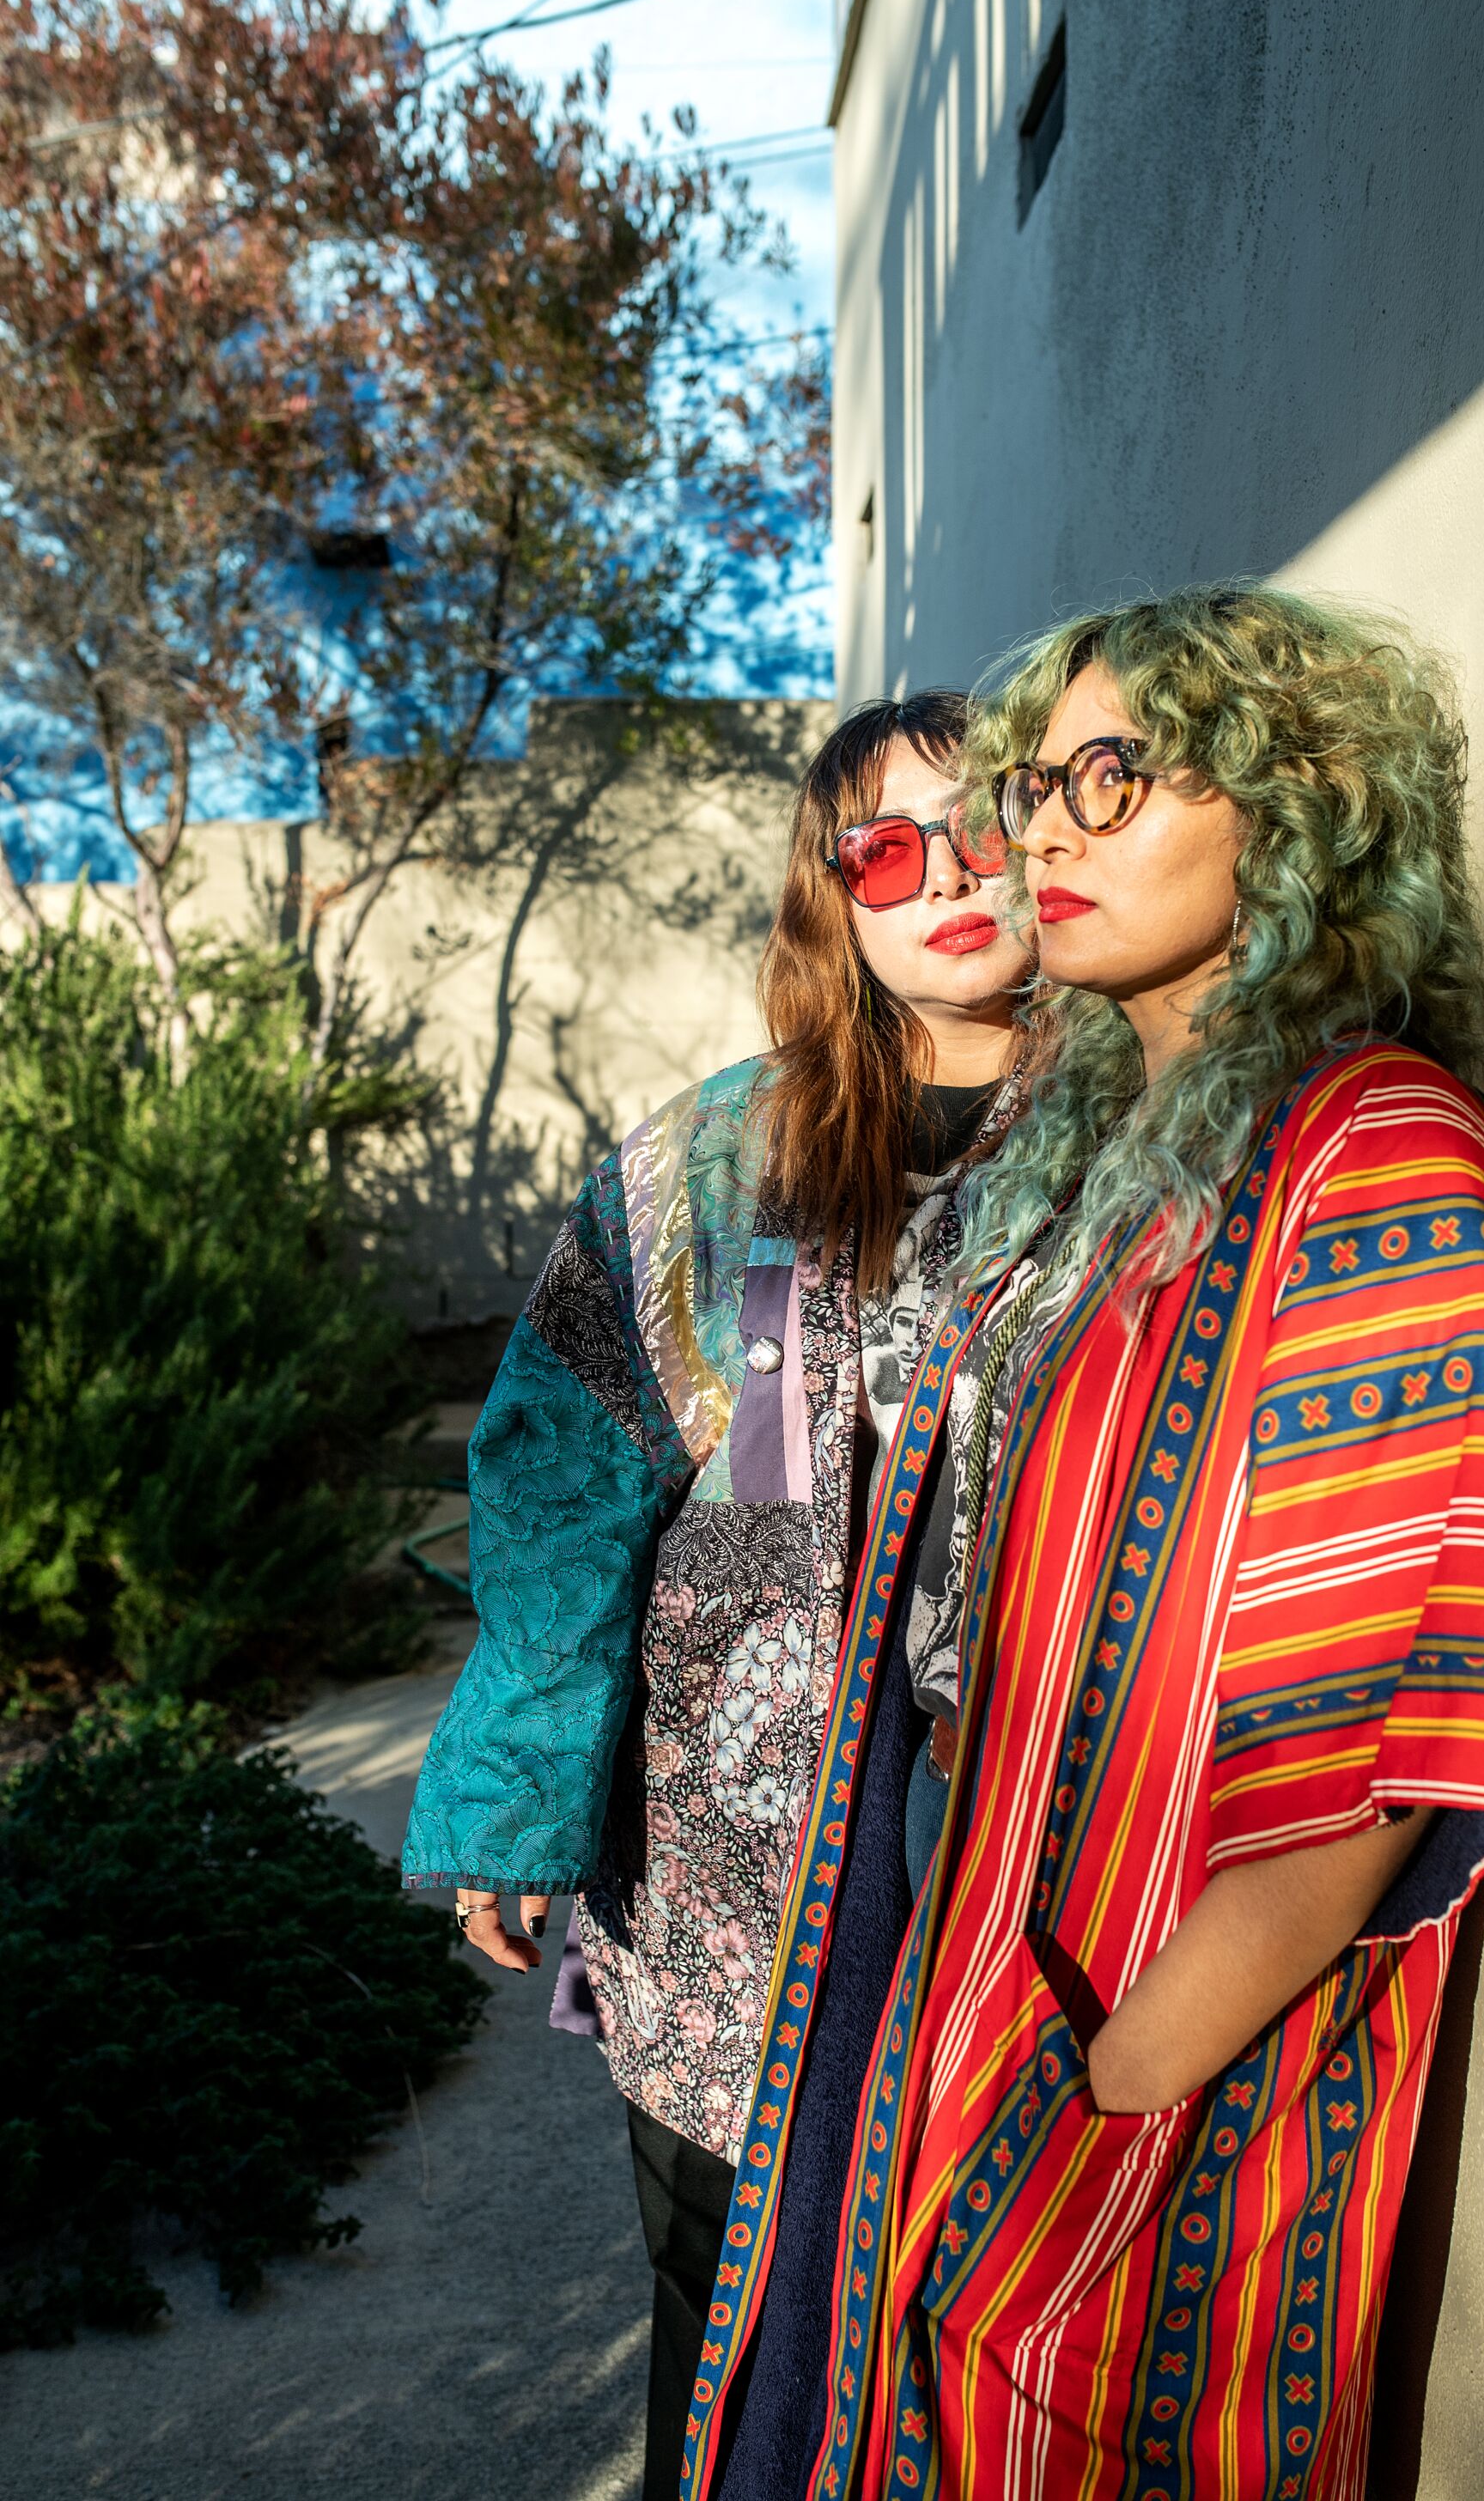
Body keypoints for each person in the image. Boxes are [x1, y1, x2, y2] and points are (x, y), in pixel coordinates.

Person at [682, 589, 1484, 2501]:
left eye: (1116, 772)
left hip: (1154, 2114)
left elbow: (1371, 1730)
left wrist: (1110, 2093)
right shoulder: (1116, 1145)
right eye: (1038, 782)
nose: (1047, 832)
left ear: (1300, 806)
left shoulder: (1374, 1154)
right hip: (999, 1979)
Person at [399, 692, 1034, 2501]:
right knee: (725, 2303)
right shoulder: (722, 1156)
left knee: (964, 2313)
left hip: (1007, 1859)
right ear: (834, 897)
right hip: (719, 1879)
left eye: (980, 822)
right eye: (885, 849)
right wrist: (517, 1805)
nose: (947, 876)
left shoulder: (1148, 1141)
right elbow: (561, 1475)